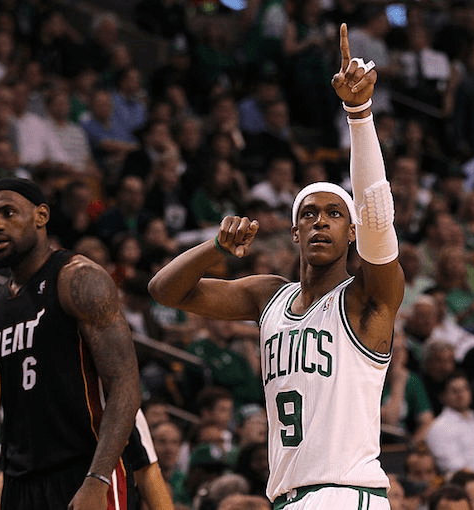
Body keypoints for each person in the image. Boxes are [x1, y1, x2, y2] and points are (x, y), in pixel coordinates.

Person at [149, 24, 403, 508]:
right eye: (309, 214)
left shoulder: (366, 300)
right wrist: (215, 249)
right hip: (286, 497)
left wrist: (359, 114)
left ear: (351, 233)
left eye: (334, 215)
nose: (321, 223)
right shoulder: (270, 295)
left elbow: (376, 211)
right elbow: (164, 290)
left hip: (347, 496)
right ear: (294, 232)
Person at [0, 177, 141, 509]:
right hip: (21, 483)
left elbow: (125, 384)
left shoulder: (78, 279)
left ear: (41, 216)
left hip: (82, 470)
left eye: (8, 213)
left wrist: (98, 480)